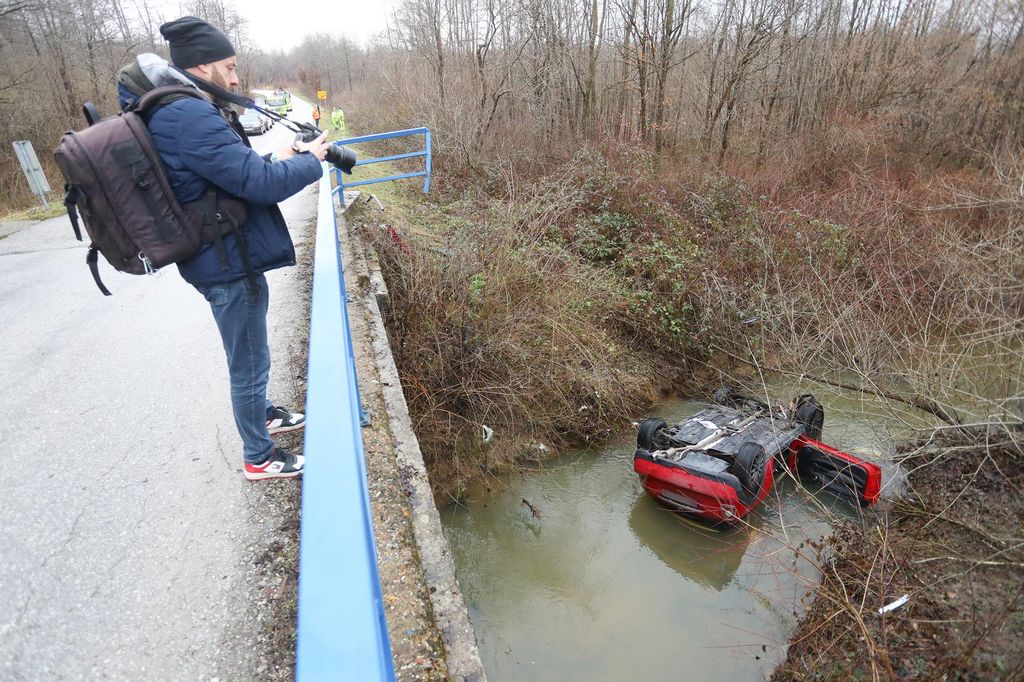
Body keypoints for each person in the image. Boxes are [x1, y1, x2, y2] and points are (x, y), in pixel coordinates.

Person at [118, 16, 330, 480]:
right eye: (229, 67)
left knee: (252, 350)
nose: (236, 79)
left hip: (219, 251)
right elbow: (256, 184)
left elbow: (231, 173)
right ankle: (259, 455)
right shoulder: (186, 113)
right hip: (225, 261)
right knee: (249, 360)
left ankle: (264, 414)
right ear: (202, 65)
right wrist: (312, 162)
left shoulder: (176, 108)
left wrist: (287, 157)